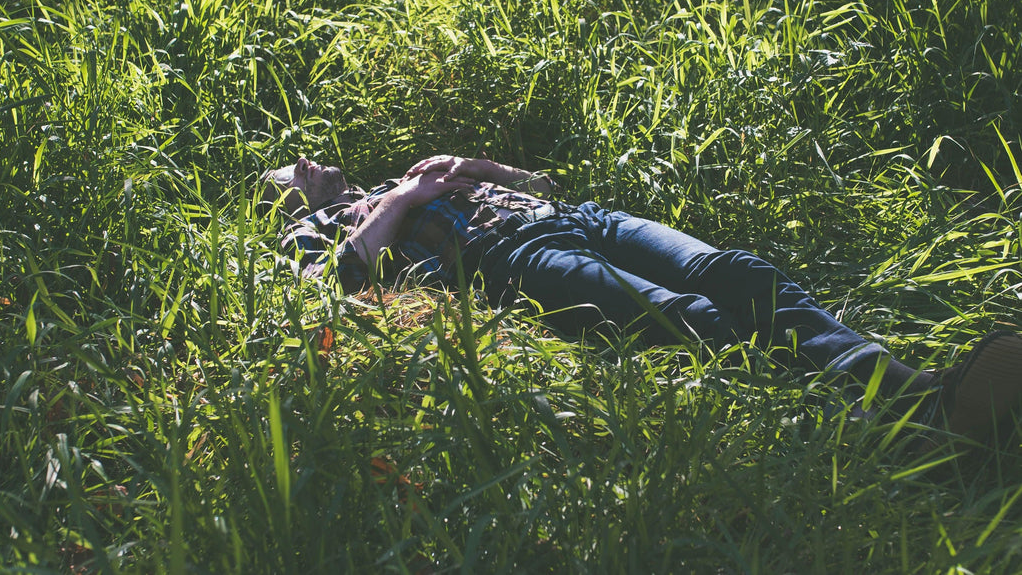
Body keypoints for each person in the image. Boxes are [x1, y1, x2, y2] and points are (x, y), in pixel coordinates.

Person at [267, 154, 1022, 451]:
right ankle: (887, 437)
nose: (306, 163)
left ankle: (916, 393)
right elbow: (340, 283)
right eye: (289, 171)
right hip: (511, 260)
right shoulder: (320, 224)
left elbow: (545, 185)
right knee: (684, 317)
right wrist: (402, 198)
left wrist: (478, 166)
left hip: (578, 218)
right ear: (290, 197)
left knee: (737, 271)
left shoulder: (419, 168)